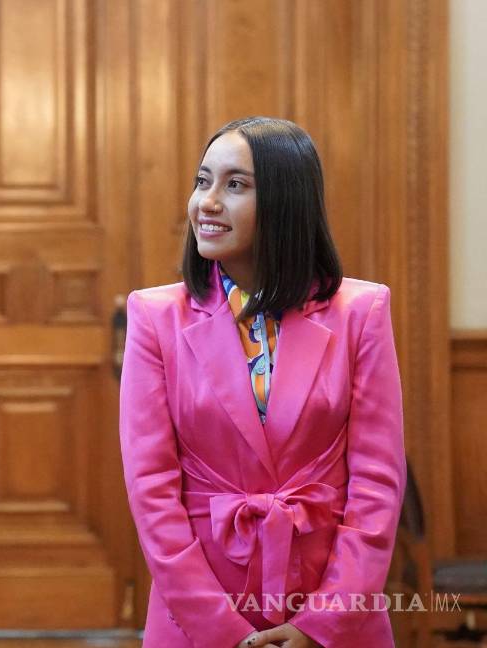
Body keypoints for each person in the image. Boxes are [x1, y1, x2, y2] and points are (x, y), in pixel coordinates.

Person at [119, 117, 406, 647]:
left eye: (235, 185)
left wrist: (319, 625)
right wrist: (221, 631)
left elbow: (377, 485)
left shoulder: (361, 311)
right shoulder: (155, 316)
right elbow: (152, 493)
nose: (207, 202)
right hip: (197, 612)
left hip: (334, 607)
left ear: (286, 202)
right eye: (203, 181)